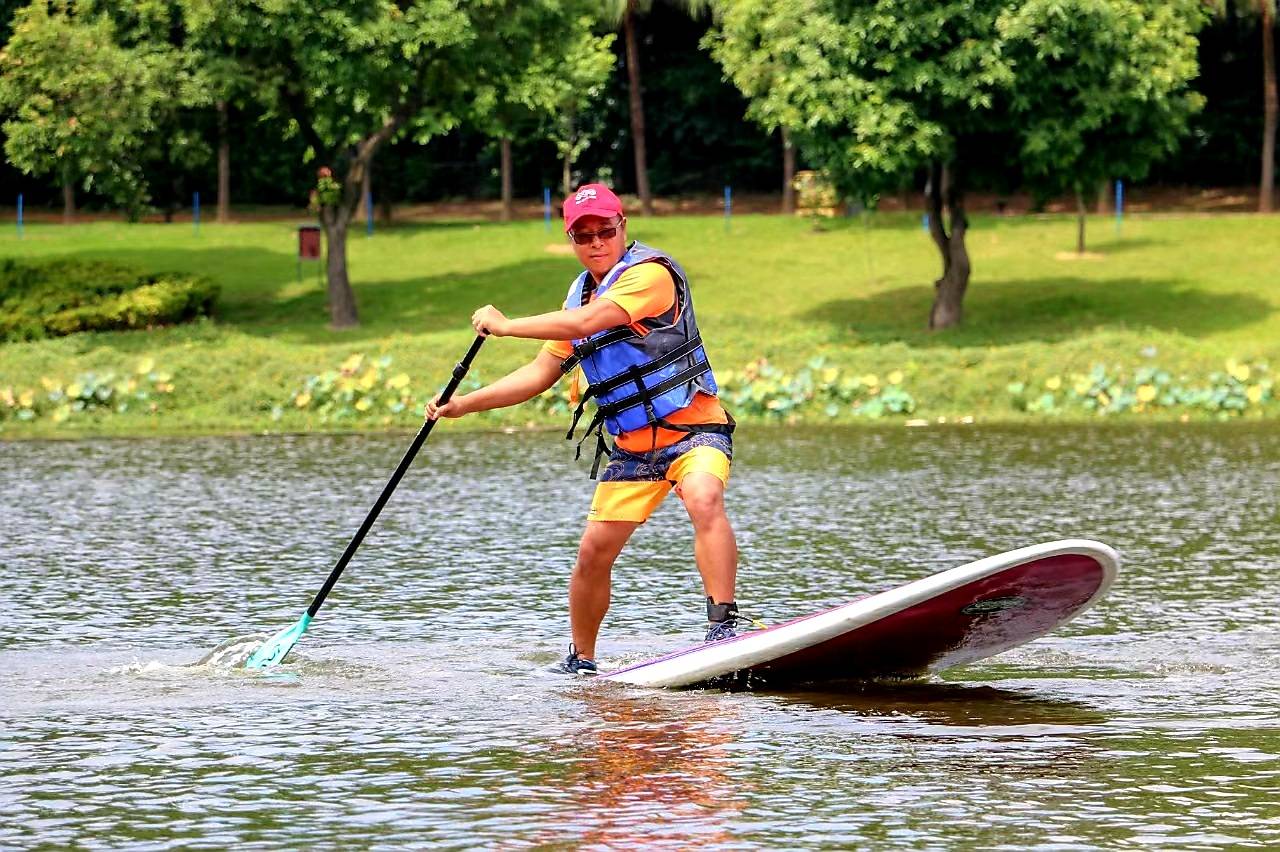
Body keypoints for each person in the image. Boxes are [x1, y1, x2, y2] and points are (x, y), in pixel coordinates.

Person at [426, 183, 739, 675]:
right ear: (572, 239)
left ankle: (723, 624)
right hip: (634, 450)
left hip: (693, 431)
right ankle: (581, 659)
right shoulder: (578, 293)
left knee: (703, 496)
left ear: (623, 228)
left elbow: (593, 321)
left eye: (605, 231)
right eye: (583, 235)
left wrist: (506, 325)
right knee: (593, 554)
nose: (596, 242)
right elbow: (539, 374)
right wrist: (463, 404)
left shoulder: (651, 276)